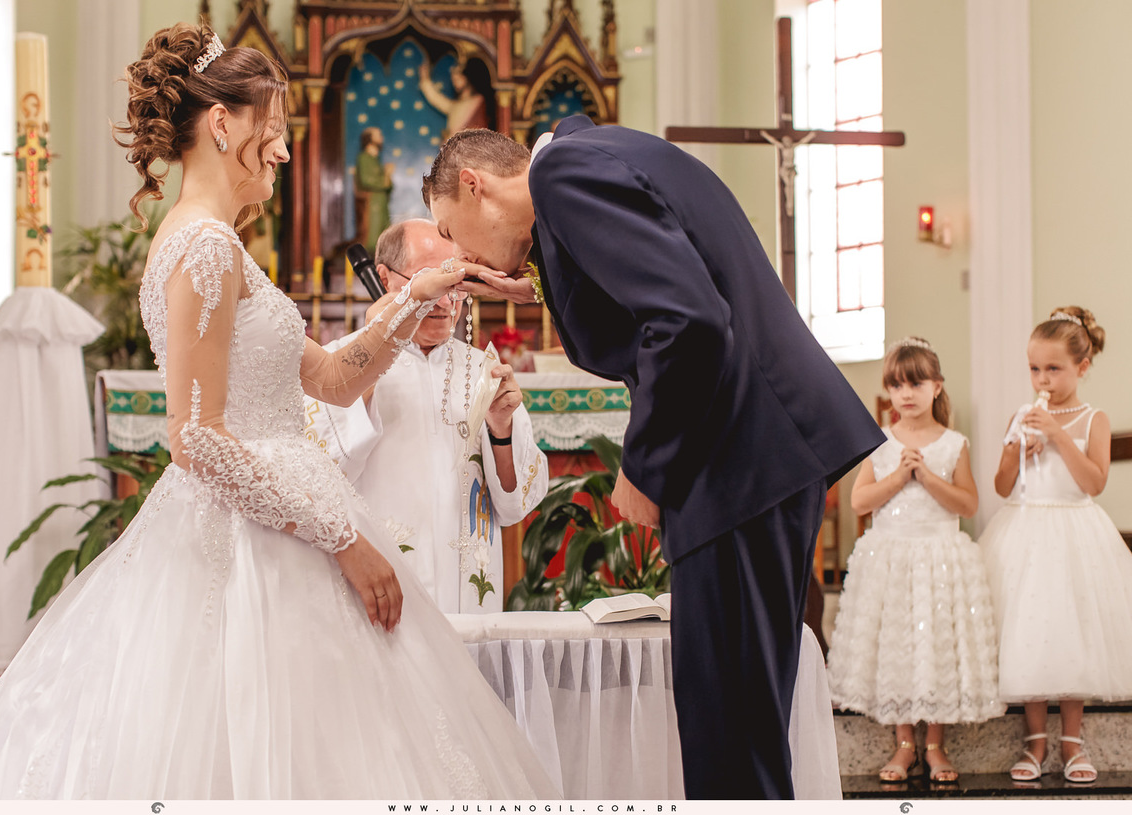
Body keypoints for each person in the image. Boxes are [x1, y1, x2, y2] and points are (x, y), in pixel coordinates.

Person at [0, 23, 557, 799]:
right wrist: (342, 538)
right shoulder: (204, 248)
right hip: (258, 541)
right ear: (223, 122)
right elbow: (196, 438)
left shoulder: (220, 246)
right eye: (274, 128)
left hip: (284, 513)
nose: (285, 150)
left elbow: (330, 378)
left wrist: (419, 293)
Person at [421, 117, 885, 799]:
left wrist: (645, 463)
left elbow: (688, 321)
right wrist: (544, 280)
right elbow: (664, 289)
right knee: (742, 723)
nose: (465, 255)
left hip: (735, 462)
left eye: (452, 231)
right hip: (762, 452)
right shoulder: (592, 149)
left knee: (726, 730)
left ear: (475, 184)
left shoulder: (562, 175)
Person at [304, 219, 547, 614]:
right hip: (379, 591)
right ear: (384, 278)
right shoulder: (334, 364)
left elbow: (514, 506)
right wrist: (371, 359)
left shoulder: (483, 369)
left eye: (454, 284)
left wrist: (501, 433)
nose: (443, 301)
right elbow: (316, 478)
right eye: (427, 281)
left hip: (468, 599)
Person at [826, 338, 1003, 785]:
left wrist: (925, 475)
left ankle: (936, 744)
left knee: (936, 647)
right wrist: (899, 475)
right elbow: (860, 500)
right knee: (899, 647)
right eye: (897, 385)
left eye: (916, 383)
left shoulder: (953, 444)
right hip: (891, 558)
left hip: (940, 558)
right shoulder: (880, 442)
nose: (905, 393)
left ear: (937, 387)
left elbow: (967, 504)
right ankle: (904, 742)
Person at [979, 306, 1132, 785]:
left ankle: (1072, 741)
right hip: (1024, 532)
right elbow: (1003, 486)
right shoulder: (1021, 416)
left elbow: (1094, 482)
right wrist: (1017, 450)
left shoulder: (1094, 419)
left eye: (1053, 368)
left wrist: (1059, 435)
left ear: (1081, 367)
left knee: (1074, 631)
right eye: (1033, 368)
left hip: (1074, 532)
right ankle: (1034, 741)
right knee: (1029, 632)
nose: (1041, 377)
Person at [419, 61, 490, 139]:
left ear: (466, 76)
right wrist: (425, 79)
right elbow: (437, 99)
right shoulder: (456, 105)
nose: (455, 82)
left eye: (458, 77)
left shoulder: (477, 100)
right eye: (453, 79)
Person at [355, 126, 393, 254]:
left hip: (380, 201)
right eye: (378, 135)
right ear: (369, 139)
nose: (381, 138)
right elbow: (367, 180)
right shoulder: (364, 158)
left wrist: (387, 176)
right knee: (373, 234)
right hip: (373, 202)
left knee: (384, 232)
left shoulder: (375, 159)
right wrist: (385, 177)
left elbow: (388, 186)